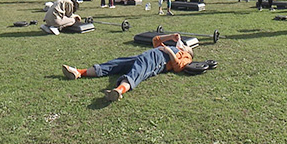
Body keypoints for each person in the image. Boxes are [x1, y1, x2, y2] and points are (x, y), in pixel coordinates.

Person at [61, 32, 194, 102]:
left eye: (185, 46)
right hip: (149, 55)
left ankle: (118, 91)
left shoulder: (187, 56)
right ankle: (79, 72)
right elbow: (156, 40)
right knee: (117, 63)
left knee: (138, 70)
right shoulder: (171, 46)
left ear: (188, 51)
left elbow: (177, 67)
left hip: (159, 60)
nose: (182, 45)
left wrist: (170, 52)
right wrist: (171, 37)